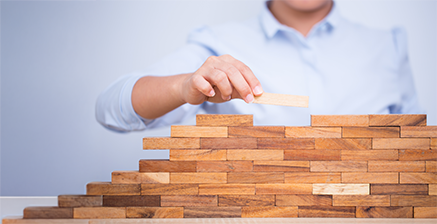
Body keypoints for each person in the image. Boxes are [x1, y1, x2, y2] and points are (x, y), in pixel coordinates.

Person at [96, 0, 422, 132]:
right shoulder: (217, 43)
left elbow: (416, 155)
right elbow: (112, 108)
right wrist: (183, 86)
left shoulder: (389, 45)